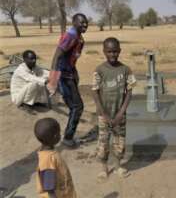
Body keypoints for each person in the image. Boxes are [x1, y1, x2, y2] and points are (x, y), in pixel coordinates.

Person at [91, 37, 137, 179]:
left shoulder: (126, 70)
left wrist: (121, 112)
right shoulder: (99, 70)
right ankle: (103, 168)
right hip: (103, 115)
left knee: (120, 141)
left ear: (120, 51)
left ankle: (118, 166)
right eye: (109, 51)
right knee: (103, 141)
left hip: (120, 114)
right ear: (104, 51)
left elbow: (129, 92)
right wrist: (103, 113)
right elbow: (95, 91)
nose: (112, 54)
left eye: (115, 51)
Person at [47, 13, 88, 147]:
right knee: (77, 106)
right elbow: (57, 56)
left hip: (69, 75)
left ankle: (68, 135)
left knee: (74, 107)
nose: (84, 25)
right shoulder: (70, 36)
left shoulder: (79, 38)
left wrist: (75, 72)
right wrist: (53, 81)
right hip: (63, 77)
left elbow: (71, 59)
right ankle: (68, 138)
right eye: (81, 22)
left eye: (86, 22)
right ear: (74, 22)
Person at [35, 118, 77, 198]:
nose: (60, 135)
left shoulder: (49, 153)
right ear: (55, 136)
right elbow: (49, 187)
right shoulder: (48, 160)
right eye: (59, 133)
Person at [10, 50, 49, 114]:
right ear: (25, 59)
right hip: (18, 97)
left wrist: (54, 75)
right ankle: (25, 104)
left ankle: (37, 102)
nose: (34, 60)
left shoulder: (33, 67)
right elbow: (31, 78)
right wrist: (45, 81)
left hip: (25, 92)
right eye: (31, 59)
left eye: (34, 58)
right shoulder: (20, 69)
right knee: (35, 82)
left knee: (41, 79)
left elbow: (43, 72)